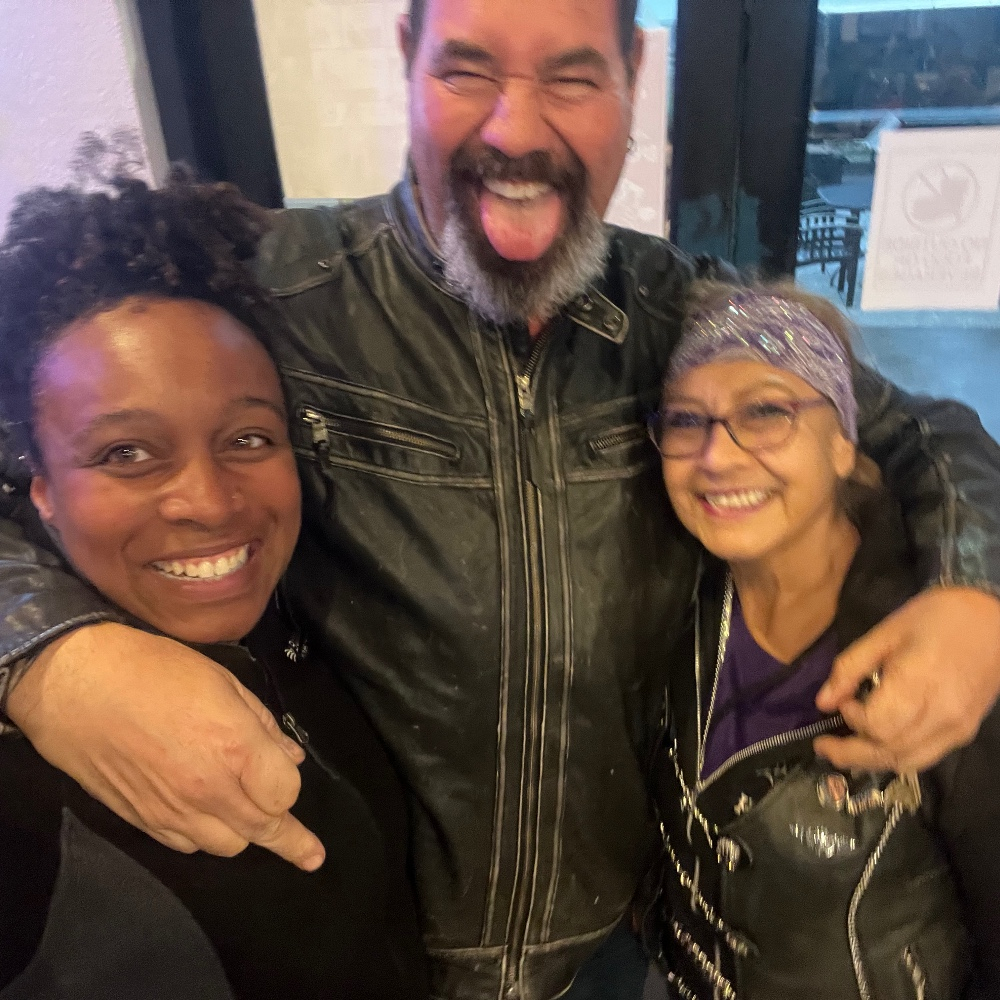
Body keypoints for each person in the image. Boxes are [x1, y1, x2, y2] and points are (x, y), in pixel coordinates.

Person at [4, 2, 1000, 998]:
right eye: (467, 71)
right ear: (407, 61)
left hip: (612, 950)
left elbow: (918, 428)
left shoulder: (673, 312)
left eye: (570, 77)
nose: (516, 130)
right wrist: (56, 656)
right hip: (381, 951)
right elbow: (52, 446)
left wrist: (974, 591)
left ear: (632, 77)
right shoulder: (279, 292)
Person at [0, 170, 429, 1000]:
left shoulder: (303, 613)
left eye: (247, 438)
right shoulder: (20, 790)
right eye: (127, 453)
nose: (208, 501)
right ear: (39, 489)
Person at [645, 282, 999, 1000]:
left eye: (766, 412)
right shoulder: (671, 598)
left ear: (844, 442)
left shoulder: (947, 650)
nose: (716, 455)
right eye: (686, 420)